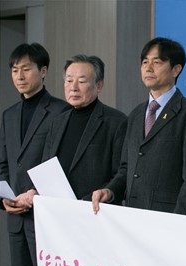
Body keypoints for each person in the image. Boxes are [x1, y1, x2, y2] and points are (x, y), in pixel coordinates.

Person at [0, 43, 69, 266]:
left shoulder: (60, 111)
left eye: (26, 69)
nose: (19, 76)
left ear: (43, 71)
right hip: (15, 212)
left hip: (46, 212)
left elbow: (63, 162)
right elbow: (3, 163)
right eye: (14, 70)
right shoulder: (9, 115)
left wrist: (35, 193)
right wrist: (4, 198)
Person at [92, 37, 186, 216]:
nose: (148, 68)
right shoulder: (135, 114)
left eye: (157, 62)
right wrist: (110, 191)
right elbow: (126, 169)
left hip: (167, 219)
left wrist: (180, 222)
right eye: (145, 62)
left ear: (176, 69)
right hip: (132, 217)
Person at [42, 55, 126, 200]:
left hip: (94, 208)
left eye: (81, 81)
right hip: (56, 208)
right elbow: (46, 167)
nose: (73, 88)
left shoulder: (116, 122)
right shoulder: (57, 122)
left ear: (99, 85)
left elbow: (122, 172)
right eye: (69, 80)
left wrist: (107, 192)